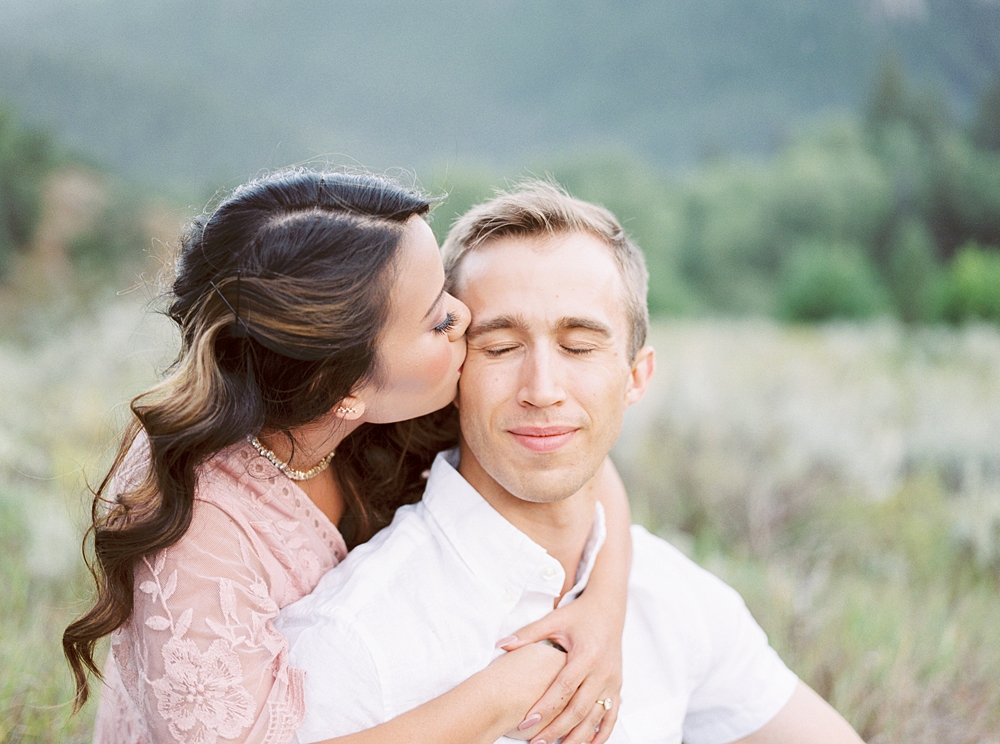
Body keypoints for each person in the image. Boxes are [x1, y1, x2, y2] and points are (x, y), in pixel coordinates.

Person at [278, 181, 866, 744]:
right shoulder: (350, 641)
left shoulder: (674, 599)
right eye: (501, 347)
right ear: (453, 373)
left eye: (579, 347)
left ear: (636, 377)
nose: (542, 388)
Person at [61, 169, 635, 744]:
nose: (463, 317)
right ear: (346, 391)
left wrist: (603, 614)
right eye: (437, 318)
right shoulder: (196, 518)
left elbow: (571, 451)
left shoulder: (403, 392)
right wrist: (505, 693)